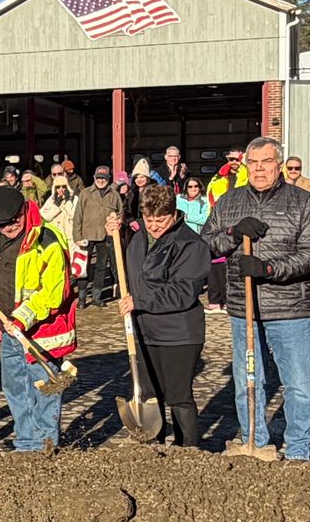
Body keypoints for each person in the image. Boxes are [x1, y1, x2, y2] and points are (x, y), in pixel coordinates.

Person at [201, 136, 310, 461]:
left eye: (266, 162)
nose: (259, 169)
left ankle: (298, 452)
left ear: (279, 165)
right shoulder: (229, 202)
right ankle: (253, 441)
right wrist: (232, 234)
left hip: (291, 309)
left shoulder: (303, 202)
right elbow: (207, 243)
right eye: (253, 163)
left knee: (298, 385)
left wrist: (269, 268)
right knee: (248, 381)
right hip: (244, 309)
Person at [0, 188, 76, 452]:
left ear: (24, 211)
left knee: (44, 389)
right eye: (2, 224)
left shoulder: (47, 240)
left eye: (14, 221)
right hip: (8, 331)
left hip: (41, 332)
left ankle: (45, 444)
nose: (9, 228)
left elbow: (54, 292)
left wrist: (22, 317)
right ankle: (26, 442)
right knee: (16, 389)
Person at [108, 185, 209, 446]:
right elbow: (131, 267)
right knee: (150, 395)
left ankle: (187, 450)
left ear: (174, 214)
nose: (154, 226)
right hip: (143, 330)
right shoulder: (139, 237)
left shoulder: (190, 244)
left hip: (179, 334)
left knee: (178, 396)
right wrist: (117, 233)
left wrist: (138, 300)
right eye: (149, 219)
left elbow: (183, 292)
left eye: (161, 220)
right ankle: (154, 448)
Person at [72, 166, 124, 308]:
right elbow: (77, 216)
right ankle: (82, 299)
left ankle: (97, 297)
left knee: (101, 267)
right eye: (99, 178)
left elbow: (120, 213)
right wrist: (77, 237)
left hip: (104, 236)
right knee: (83, 269)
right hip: (86, 236)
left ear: (108, 179)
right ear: (94, 178)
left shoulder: (114, 195)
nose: (101, 181)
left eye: (104, 178)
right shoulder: (85, 193)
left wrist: (118, 221)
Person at [179, 178, 223, 312]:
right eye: (190, 186)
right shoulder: (179, 199)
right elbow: (176, 216)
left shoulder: (204, 201)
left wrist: (188, 217)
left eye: (196, 186)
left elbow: (206, 218)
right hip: (180, 237)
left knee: (197, 266)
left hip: (197, 237)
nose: (193, 189)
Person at [40, 175, 77, 246]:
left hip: (71, 236)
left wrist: (68, 201)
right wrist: (56, 205)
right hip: (56, 236)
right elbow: (45, 216)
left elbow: (74, 216)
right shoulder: (52, 199)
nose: (61, 189)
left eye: (64, 186)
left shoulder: (74, 199)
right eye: (58, 187)